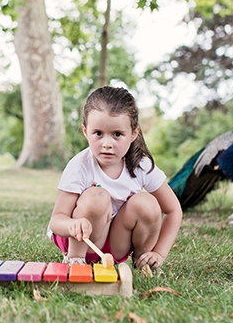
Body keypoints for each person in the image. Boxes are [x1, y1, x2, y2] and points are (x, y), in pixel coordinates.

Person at [48, 86, 182, 270]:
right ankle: (75, 260)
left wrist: (159, 252)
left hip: (115, 245)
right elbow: (56, 220)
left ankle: (144, 261)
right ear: (86, 131)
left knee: (147, 203)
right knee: (97, 196)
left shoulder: (141, 165)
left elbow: (174, 211)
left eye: (117, 134)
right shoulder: (80, 165)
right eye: (98, 134)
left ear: (134, 134)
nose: (107, 144)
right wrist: (72, 224)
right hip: (80, 241)